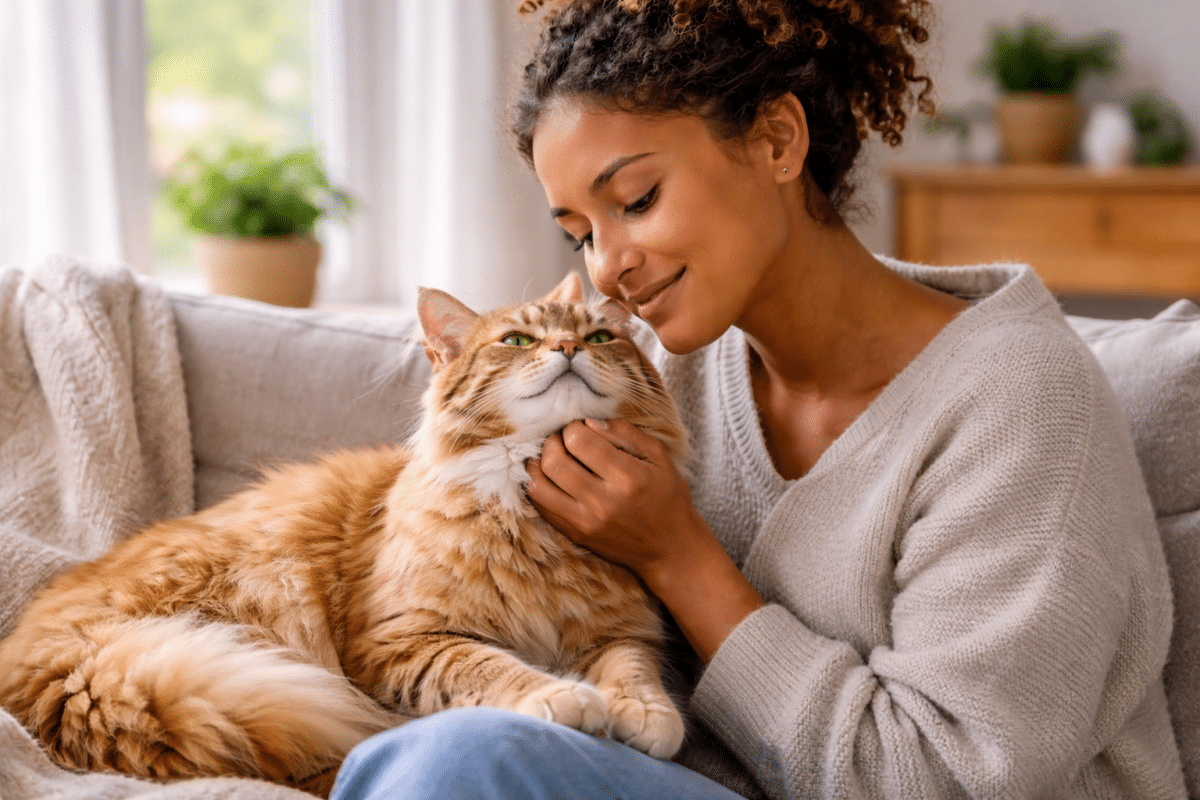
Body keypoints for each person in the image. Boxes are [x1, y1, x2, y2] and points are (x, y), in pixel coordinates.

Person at [331, 1, 1188, 798]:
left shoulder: (1021, 405)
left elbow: (943, 776)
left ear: (778, 140)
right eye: (581, 233)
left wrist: (677, 554)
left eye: (637, 200)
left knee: (462, 762)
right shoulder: (667, 374)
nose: (605, 268)